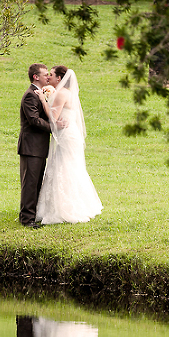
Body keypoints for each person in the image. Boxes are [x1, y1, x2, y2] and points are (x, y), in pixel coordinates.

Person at [35, 66, 103, 224]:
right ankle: (77, 204)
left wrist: (43, 99)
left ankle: (65, 208)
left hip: (67, 136)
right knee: (70, 167)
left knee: (63, 167)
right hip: (70, 135)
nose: (49, 77)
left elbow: (53, 117)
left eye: (51, 75)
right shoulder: (68, 93)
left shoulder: (62, 93)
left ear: (59, 78)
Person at [17, 63, 54, 229]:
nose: (48, 77)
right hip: (30, 147)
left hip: (38, 147)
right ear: (35, 77)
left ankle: (32, 214)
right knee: (30, 184)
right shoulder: (30, 95)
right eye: (45, 74)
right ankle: (26, 219)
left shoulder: (39, 94)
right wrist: (54, 127)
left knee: (36, 182)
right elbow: (34, 120)